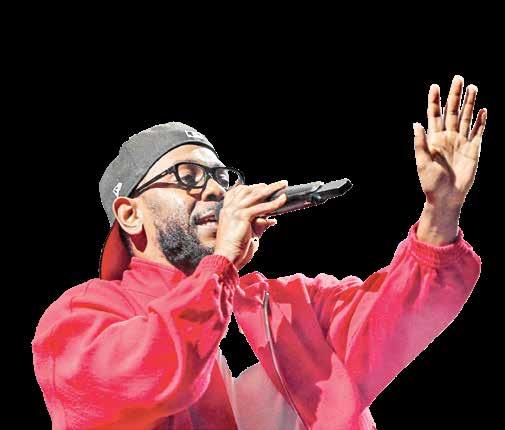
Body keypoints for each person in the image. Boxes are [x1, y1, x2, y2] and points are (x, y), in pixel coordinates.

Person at [32, 75, 486, 430]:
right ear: (131, 215)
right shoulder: (80, 320)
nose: (215, 190)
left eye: (220, 177)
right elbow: (157, 372)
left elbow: (400, 315)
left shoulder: (287, 308)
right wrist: (220, 266)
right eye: (188, 177)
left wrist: (441, 212)